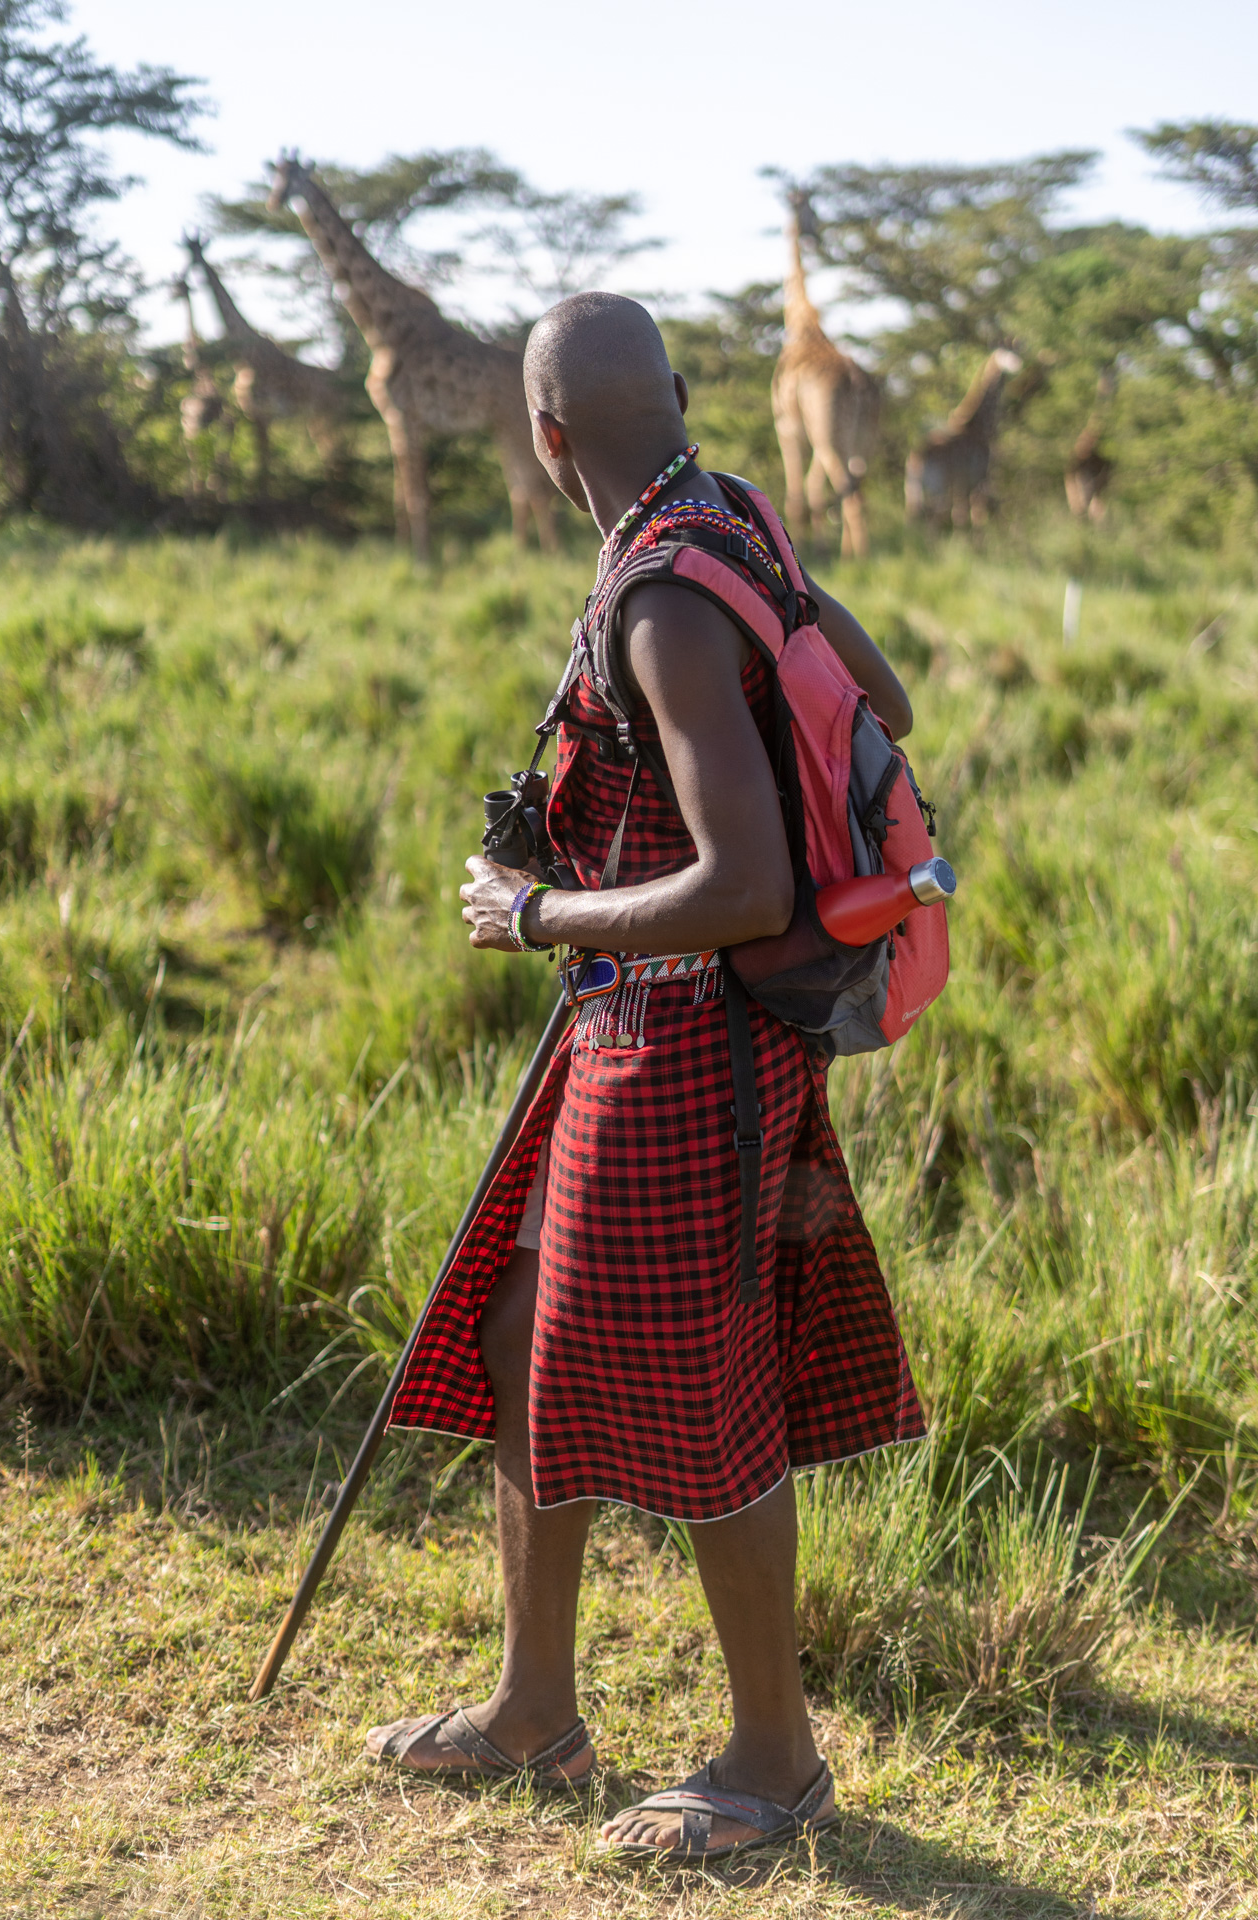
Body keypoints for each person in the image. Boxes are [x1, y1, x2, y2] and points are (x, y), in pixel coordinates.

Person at [368, 292, 925, 1861]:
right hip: (643, 1026)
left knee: (701, 1379)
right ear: (677, 396)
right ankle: (534, 1707)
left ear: (544, 440)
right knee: (517, 1319)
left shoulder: (666, 600)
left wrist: (535, 910)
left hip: (686, 1038)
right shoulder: (731, 518)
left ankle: (774, 1759)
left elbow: (746, 883)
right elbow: (883, 704)